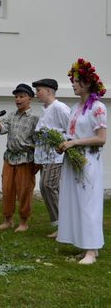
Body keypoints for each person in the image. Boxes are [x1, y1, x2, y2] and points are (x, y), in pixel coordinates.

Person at [57, 59, 107, 265]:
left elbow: (101, 138)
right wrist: (63, 143)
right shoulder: (76, 108)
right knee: (74, 202)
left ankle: (92, 249)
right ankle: (83, 245)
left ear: (87, 83)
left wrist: (75, 143)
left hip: (88, 161)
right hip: (73, 160)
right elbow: (72, 133)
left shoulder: (98, 107)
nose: (73, 84)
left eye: (76, 80)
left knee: (88, 204)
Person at [0, 83, 39, 232]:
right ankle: (8, 220)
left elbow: (38, 141)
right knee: (7, 189)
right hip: (9, 158)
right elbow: (1, 130)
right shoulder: (11, 115)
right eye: (16, 97)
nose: (18, 99)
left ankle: (24, 222)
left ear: (30, 99)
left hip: (26, 159)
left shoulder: (35, 118)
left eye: (21, 96)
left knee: (24, 191)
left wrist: (37, 162)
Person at [32, 78, 70, 238]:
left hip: (56, 156)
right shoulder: (45, 109)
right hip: (45, 157)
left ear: (48, 90)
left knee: (47, 186)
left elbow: (71, 129)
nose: (36, 93)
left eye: (38, 90)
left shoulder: (60, 108)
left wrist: (64, 144)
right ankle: (63, 225)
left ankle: (63, 225)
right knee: (50, 188)